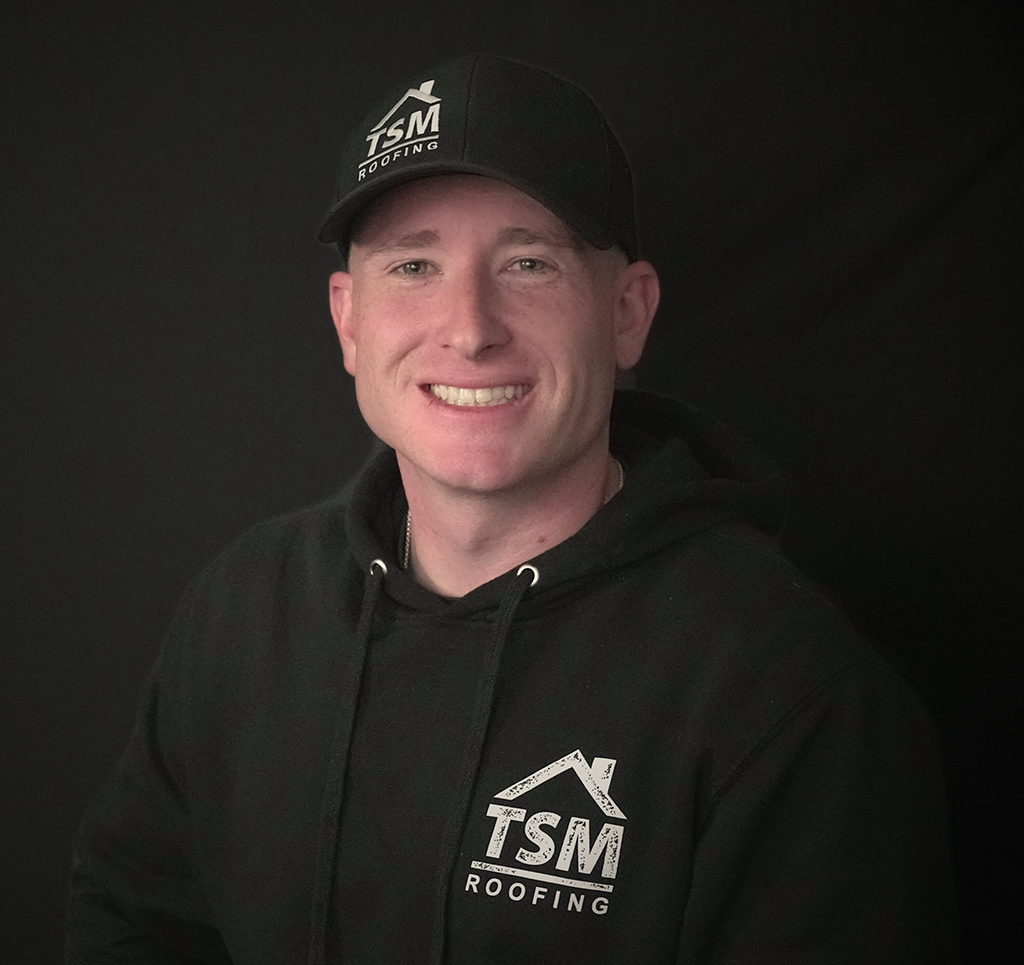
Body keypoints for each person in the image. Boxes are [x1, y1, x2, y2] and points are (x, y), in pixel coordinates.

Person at [67, 53, 957, 964]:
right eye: (413, 263)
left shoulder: (789, 691)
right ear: (348, 320)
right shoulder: (243, 613)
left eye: (529, 263)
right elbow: (136, 924)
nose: (470, 326)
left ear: (626, 313)